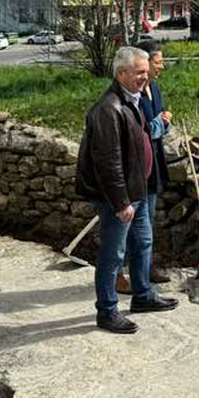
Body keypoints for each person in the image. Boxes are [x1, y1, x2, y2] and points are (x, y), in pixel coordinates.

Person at [76, 47, 178, 334]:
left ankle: (143, 295)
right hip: (119, 198)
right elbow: (108, 163)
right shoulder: (109, 108)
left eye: (147, 71)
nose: (146, 77)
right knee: (113, 253)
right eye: (139, 72)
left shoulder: (131, 100)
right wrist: (121, 203)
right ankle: (107, 311)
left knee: (142, 242)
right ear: (121, 73)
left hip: (139, 190)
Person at [116, 44, 174, 294]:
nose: (161, 66)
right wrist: (159, 124)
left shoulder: (154, 89)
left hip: (153, 162)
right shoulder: (131, 96)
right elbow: (142, 130)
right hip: (135, 168)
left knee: (147, 222)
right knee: (126, 226)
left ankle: (144, 268)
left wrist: (162, 124)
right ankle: (119, 273)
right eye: (158, 61)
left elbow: (155, 127)